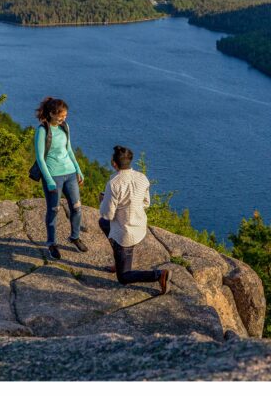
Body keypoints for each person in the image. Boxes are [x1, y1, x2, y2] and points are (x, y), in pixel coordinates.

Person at [99, 145, 171, 294]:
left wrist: (103, 201)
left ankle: (159, 275)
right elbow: (146, 203)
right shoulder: (142, 178)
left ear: (114, 163)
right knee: (103, 224)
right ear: (130, 161)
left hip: (125, 234)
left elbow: (108, 215)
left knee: (123, 278)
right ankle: (119, 262)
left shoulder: (114, 184)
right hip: (139, 227)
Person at [34, 96, 89, 260]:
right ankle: (51, 243)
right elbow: (40, 158)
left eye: (65, 116)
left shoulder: (65, 127)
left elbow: (69, 149)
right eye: (61, 116)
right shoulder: (42, 130)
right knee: (54, 210)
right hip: (53, 175)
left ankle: (75, 237)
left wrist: (78, 169)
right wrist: (49, 180)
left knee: (77, 207)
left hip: (70, 173)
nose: (64, 118)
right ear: (51, 113)